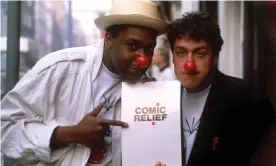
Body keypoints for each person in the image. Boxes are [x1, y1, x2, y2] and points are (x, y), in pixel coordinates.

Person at [1, 0, 169, 165]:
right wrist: (67, 134)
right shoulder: (60, 69)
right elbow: (5, 130)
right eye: (132, 46)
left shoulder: (149, 93)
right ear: (109, 40)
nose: (143, 59)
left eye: (149, 48)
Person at [162, 12, 275, 166]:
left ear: (215, 57)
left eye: (200, 53)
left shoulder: (248, 101)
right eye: (181, 53)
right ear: (173, 57)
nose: (190, 64)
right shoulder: (164, 101)